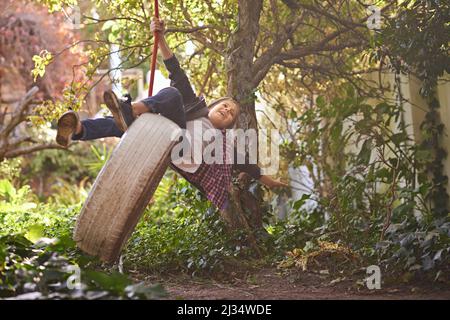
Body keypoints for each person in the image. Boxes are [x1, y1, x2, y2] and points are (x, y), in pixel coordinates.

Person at [56, 17, 287, 212]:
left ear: (228, 126)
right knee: (133, 124)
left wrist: (270, 181)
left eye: (232, 113)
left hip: (181, 149)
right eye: (225, 106)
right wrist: (161, 38)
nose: (227, 110)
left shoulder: (222, 143)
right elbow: (175, 69)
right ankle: (79, 130)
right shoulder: (195, 107)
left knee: (171, 96)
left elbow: (247, 165)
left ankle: (130, 110)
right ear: (213, 105)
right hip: (164, 140)